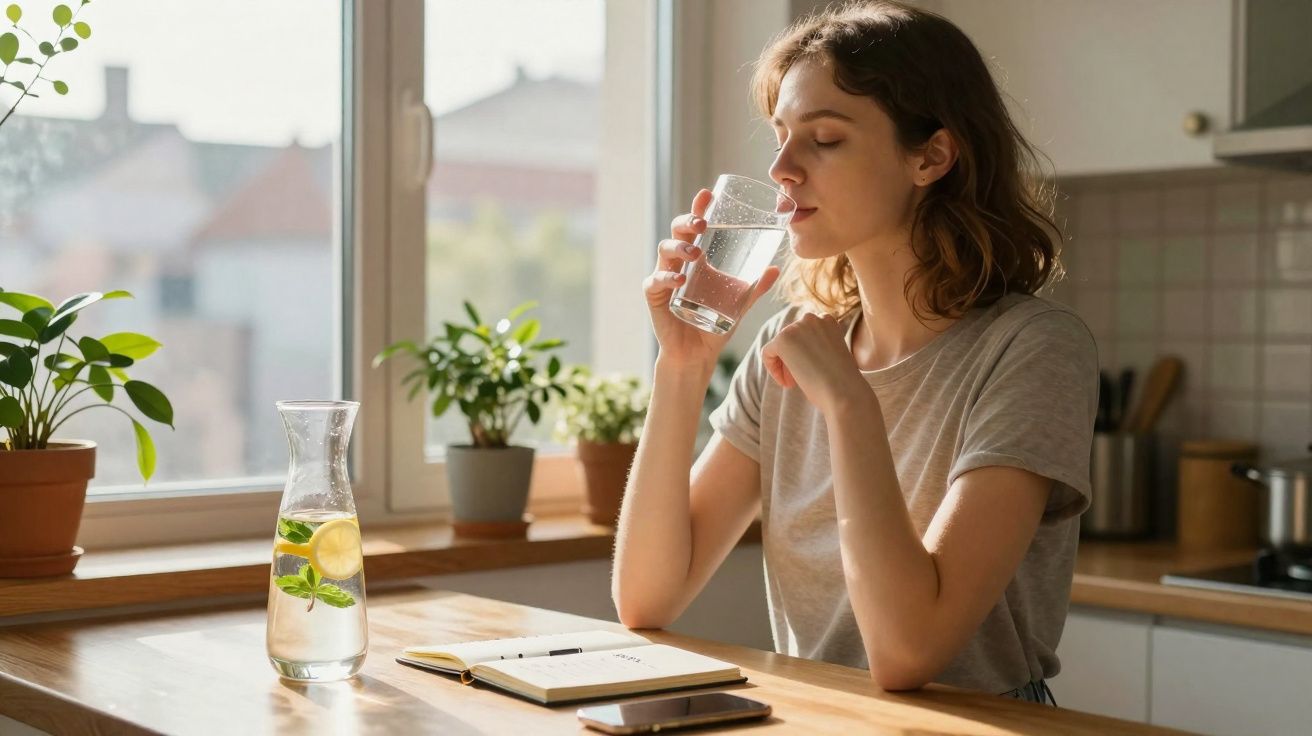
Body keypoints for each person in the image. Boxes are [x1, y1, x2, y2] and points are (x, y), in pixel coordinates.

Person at [610, 0, 1098, 706]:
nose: (781, 167)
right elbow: (646, 599)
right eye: (780, 136)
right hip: (819, 717)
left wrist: (847, 402)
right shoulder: (790, 354)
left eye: (825, 139)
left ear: (930, 156)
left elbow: (907, 652)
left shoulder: (1032, 351)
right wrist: (682, 367)